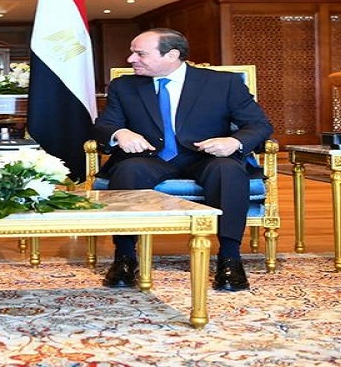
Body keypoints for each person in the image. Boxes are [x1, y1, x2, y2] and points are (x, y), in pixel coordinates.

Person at [93, 28, 273, 292]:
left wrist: (233, 142)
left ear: (172, 55)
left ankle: (230, 258)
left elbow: (259, 125)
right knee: (128, 170)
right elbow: (104, 124)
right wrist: (121, 133)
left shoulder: (223, 83)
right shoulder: (125, 86)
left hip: (206, 156)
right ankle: (125, 257)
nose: (131, 59)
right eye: (133, 53)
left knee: (228, 171)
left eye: (140, 54)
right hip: (150, 156)